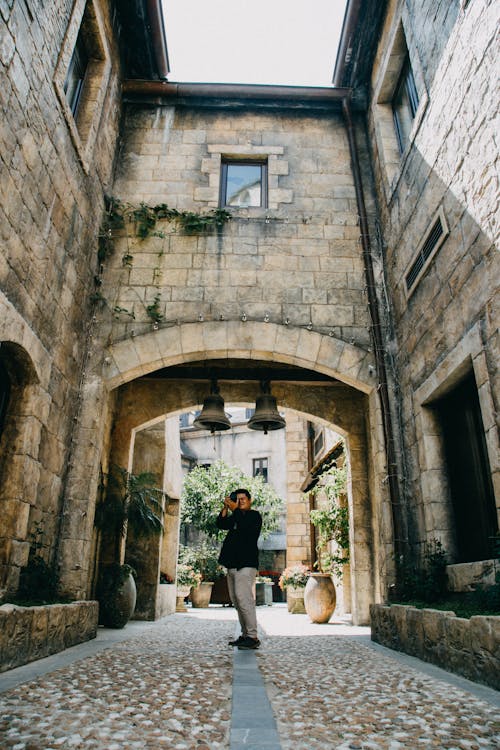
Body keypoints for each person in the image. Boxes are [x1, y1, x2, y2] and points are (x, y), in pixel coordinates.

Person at [216, 488, 262, 650]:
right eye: (238, 499)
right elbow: (221, 524)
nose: (240, 501)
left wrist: (234, 509)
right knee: (237, 601)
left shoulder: (254, 516)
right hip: (232, 564)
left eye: (244, 499)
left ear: (250, 501)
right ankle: (245, 635)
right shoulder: (235, 516)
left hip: (246, 564)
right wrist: (225, 508)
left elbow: (245, 528)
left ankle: (253, 636)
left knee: (244, 599)